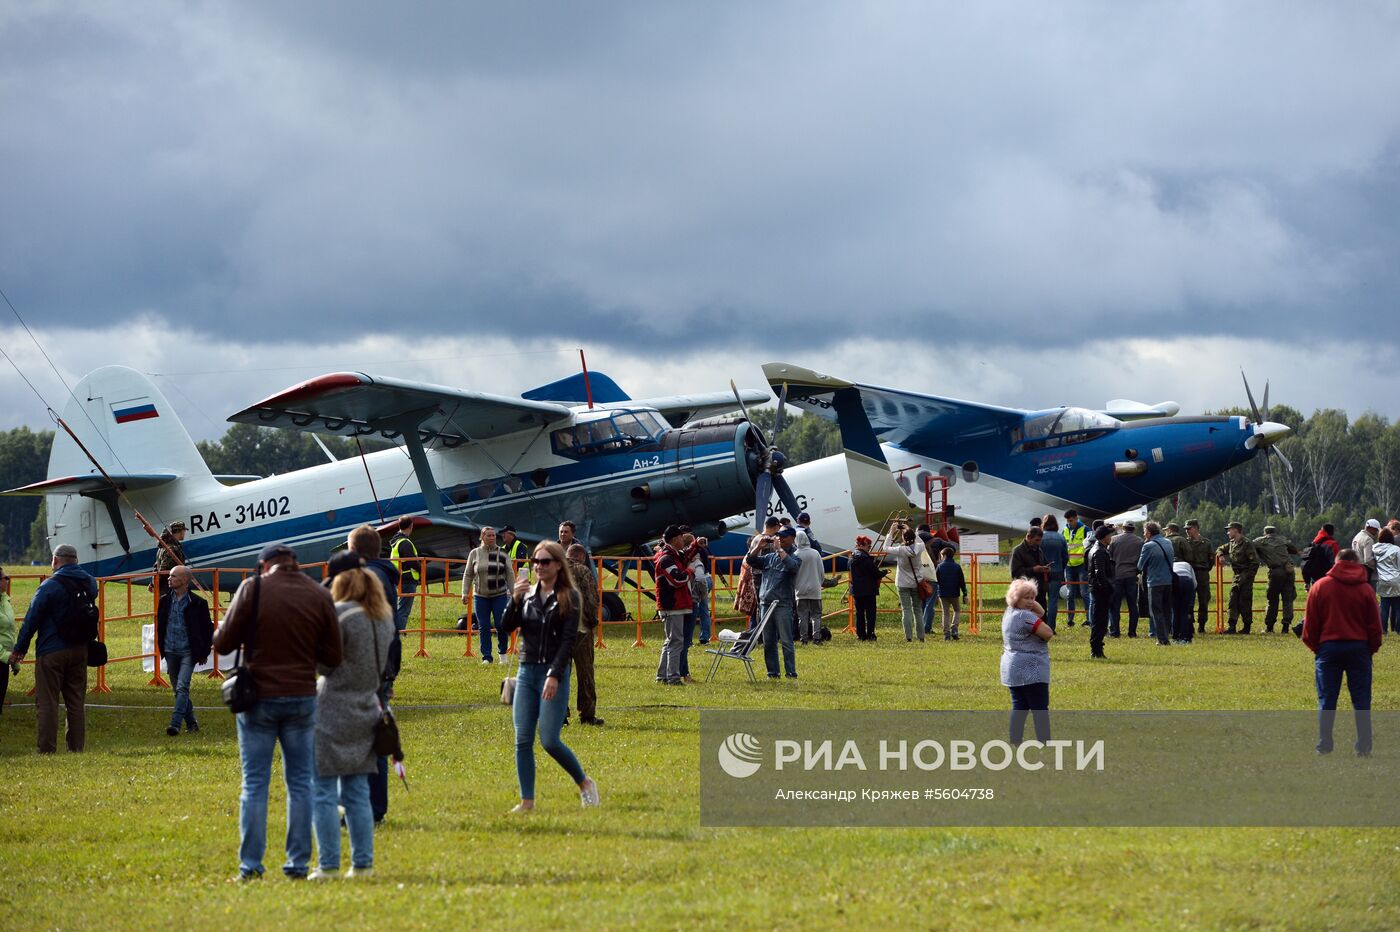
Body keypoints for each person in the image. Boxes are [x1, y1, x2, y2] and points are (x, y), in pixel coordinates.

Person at [214, 543, 343, 881]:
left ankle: (250, 867)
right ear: (294, 563)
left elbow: (223, 643)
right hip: (301, 695)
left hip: (258, 696)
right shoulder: (318, 593)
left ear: (263, 565)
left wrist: (221, 630)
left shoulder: (251, 588)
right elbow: (333, 656)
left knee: (254, 784)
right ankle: (297, 865)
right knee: (301, 784)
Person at [310, 560, 394, 880]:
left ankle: (329, 864)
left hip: (332, 708)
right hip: (368, 705)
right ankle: (363, 864)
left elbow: (323, 665)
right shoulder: (383, 618)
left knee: (324, 791)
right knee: (358, 792)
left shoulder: (340, 614)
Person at [501, 541, 599, 811]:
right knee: (522, 739)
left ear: (558, 565)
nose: (538, 567)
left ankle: (584, 783)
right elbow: (505, 626)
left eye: (545, 562)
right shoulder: (529, 594)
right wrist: (515, 599)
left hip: (553, 671)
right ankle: (527, 801)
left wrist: (555, 675)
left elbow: (568, 640)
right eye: (535, 561)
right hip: (526, 670)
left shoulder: (570, 597)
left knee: (550, 740)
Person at [8, 544, 95, 754]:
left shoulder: (49, 585)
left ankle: (46, 749)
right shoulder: (89, 582)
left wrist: (20, 648)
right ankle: (76, 748)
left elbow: (32, 618)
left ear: (55, 561)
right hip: (81, 648)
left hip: (52, 649)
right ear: (76, 560)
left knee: (47, 702)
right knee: (76, 702)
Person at [1302, 549, 1382, 756]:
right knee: (1362, 700)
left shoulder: (1320, 586)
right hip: (1359, 648)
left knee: (1327, 700)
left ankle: (1324, 745)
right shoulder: (1365, 590)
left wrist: (1316, 648)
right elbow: (1375, 625)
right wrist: (1370, 649)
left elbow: (1310, 626)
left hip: (1328, 649)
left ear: (1336, 562)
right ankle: (1364, 747)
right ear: (1356, 563)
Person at [346, 523, 400, 825]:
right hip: (381, 666)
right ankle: (373, 807)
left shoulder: (369, 579)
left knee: (361, 739)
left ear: (354, 551)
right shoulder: (385, 574)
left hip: (366, 667)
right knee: (373, 737)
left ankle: (368, 807)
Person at [155, 565, 214, 736]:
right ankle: (192, 723)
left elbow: (207, 629)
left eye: (173, 576)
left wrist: (203, 653)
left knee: (182, 687)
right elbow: (161, 625)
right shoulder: (164, 600)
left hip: (188, 651)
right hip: (170, 649)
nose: (169, 579)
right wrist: (162, 648)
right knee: (178, 690)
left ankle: (175, 724)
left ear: (184, 580)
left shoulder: (198, 603)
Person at [1000, 578, 1052, 745]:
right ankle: (1044, 741)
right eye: (1026, 598)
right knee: (1040, 708)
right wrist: (1030, 604)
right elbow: (1048, 633)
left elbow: (1041, 612)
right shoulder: (1025, 617)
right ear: (1016, 598)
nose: (1031, 602)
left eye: (1032, 597)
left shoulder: (1010, 612)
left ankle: (1015, 741)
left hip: (1012, 666)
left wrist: (1028, 597)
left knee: (1019, 706)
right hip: (1032, 667)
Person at [745, 528, 801, 677]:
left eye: (784, 537)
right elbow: (750, 561)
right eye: (779, 536)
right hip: (765, 604)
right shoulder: (769, 557)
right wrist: (758, 547)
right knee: (769, 641)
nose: (780, 539)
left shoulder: (795, 557)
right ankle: (773, 672)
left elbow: (793, 567)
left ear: (792, 538)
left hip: (782, 604)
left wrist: (779, 550)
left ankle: (791, 673)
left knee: (786, 641)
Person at [460, 526, 516, 664]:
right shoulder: (474, 553)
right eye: (488, 535)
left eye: (493, 536)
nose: (491, 538)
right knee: (483, 626)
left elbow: (509, 573)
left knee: (500, 624)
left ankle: (503, 653)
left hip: (500, 595)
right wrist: (464, 593)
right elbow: (468, 574)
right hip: (480, 596)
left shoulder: (502, 553)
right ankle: (486, 657)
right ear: (482, 537)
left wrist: (514, 593)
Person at [654, 525, 696, 685]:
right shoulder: (666, 559)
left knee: (670, 641)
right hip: (672, 605)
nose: (683, 540)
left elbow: (686, 556)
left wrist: (696, 545)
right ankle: (673, 678)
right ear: (674, 539)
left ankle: (662, 676)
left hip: (674, 605)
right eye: (680, 537)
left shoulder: (674, 556)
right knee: (676, 641)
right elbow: (677, 579)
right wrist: (690, 572)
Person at [567, 543, 604, 725]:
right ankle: (587, 714)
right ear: (582, 557)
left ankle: (559, 714)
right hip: (580, 629)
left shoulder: (551, 569)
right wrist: (592, 620)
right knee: (585, 673)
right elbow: (591, 599)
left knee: (559, 674)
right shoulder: (582, 571)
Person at [1254, 525, 1301, 634]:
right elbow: (1294, 550)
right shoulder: (1283, 540)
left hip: (1276, 572)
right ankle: (1285, 627)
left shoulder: (1261, 541)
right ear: (1275, 532)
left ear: (1265, 532)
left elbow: (1249, 545)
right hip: (1289, 571)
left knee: (1272, 599)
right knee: (1288, 600)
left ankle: (1269, 627)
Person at [1215, 522, 1260, 634]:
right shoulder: (1232, 543)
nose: (1227, 532)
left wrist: (1248, 577)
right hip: (1236, 576)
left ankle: (1247, 627)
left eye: (1229, 530)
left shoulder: (1247, 543)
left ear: (1236, 530)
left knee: (1244, 602)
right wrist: (1220, 556)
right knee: (1233, 601)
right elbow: (1220, 548)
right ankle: (1232, 627)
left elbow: (1254, 563)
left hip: (1246, 576)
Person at [1136, 522, 1176, 647]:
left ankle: (1162, 639)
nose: (1143, 534)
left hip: (1155, 582)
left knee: (1156, 611)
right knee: (1166, 610)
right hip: (1168, 581)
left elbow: (1140, 565)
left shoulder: (1148, 546)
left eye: (1144, 532)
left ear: (1148, 533)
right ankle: (1168, 634)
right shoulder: (1168, 542)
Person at [886, 523, 926, 642]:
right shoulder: (919, 548)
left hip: (903, 583)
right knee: (918, 610)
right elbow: (921, 542)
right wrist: (909, 530)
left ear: (903, 538)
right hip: (916, 582)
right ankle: (921, 636)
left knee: (906, 610)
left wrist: (891, 532)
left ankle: (908, 637)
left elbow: (885, 547)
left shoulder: (901, 550)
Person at [1177, 520, 1215, 634]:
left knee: (1204, 599)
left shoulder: (1206, 543)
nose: (1187, 531)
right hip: (1189, 572)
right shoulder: (1185, 542)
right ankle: (1190, 624)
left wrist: (1205, 569)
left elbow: (1211, 559)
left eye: (1189, 528)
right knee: (1189, 600)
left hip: (1202, 573)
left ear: (1196, 528)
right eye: (1186, 529)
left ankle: (1202, 625)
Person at [1107, 522, 1144, 637]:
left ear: (1123, 528)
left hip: (1117, 575)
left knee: (1115, 605)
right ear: (1133, 529)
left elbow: (1109, 556)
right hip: (1131, 576)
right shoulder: (1139, 541)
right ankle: (1132, 632)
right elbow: (1141, 560)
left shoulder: (1113, 539)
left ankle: (1115, 632)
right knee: (1133, 605)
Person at [848, 535, 886, 641]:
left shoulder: (851, 558)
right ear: (863, 545)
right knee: (870, 614)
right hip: (869, 590)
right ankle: (870, 634)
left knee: (859, 613)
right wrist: (884, 572)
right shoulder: (866, 559)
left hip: (856, 590)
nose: (869, 548)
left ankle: (861, 635)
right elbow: (876, 573)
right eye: (869, 546)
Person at [1086, 525, 1115, 658]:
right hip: (1100, 591)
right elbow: (1100, 573)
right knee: (1100, 621)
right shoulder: (1100, 551)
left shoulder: (1098, 549)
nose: (1111, 537)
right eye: (1109, 535)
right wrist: (1107, 588)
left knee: (1100, 620)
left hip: (1098, 589)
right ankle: (1096, 650)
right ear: (1104, 537)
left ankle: (1097, 649)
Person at [793, 530, 825, 644]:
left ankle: (804, 638)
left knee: (802, 616)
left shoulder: (795, 554)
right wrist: (819, 583)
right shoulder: (815, 553)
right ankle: (817, 637)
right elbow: (822, 572)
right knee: (816, 615)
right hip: (815, 589)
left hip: (800, 590)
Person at [388, 517, 420, 632]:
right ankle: (399, 632)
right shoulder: (405, 543)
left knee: (400, 607)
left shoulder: (397, 541)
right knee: (404, 609)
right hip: (407, 579)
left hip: (400, 578)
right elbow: (411, 561)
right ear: (411, 526)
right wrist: (422, 569)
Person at [1009, 527, 1049, 611]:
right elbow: (1015, 573)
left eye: (1040, 540)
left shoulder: (1039, 550)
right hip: (1024, 594)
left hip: (1040, 592)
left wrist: (1046, 569)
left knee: (1042, 616)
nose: (1039, 543)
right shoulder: (1018, 551)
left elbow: (1045, 563)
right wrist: (1033, 570)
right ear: (1029, 537)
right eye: (1037, 540)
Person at [1039, 515, 1068, 630]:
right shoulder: (1061, 538)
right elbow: (1065, 557)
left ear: (1044, 524)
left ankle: (1040, 625)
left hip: (1041, 572)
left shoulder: (1040, 537)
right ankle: (1051, 627)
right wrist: (1061, 567)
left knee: (1041, 599)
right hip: (1057, 572)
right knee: (1053, 600)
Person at [1061, 510, 1088, 626]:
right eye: (1067, 521)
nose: (1069, 523)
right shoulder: (1065, 530)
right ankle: (1070, 620)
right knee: (1070, 594)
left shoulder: (1085, 529)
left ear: (1076, 518)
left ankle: (1089, 619)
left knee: (1084, 593)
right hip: (1069, 566)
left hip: (1082, 565)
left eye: (1071, 521)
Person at [934, 547, 966, 641]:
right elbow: (962, 581)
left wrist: (936, 593)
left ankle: (946, 633)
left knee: (945, 613)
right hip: (954, 593)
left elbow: (936, 580)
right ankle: (954, 628)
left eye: (941, 555)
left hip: (943, 593)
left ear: (944, 555)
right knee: (956, 610)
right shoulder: (957, 567)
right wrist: (965, 593)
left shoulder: (939, 566)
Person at [1373, 528, 1400, 636]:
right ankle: (1398, 629)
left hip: (1381, 580)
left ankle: (1383, 629)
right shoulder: (1396, 549)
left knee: (1384, 606)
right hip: (1396, 580)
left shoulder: (1374, 548)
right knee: (1398, 606)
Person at [689, 536, 714, 645]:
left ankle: (688, 639)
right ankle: (705, 637)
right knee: (704, 610)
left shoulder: (695, 554)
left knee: (692, 610)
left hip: (700, 580)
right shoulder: (703, 550)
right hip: (707, 578)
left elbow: (699, 576)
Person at [0, 569, 16, 714]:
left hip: (4, 661)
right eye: (6, 577)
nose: (8, 580)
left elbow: (9, 632)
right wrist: (5, 656)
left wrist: (14, 659)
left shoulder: (5, 600)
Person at [1171, 557, 1196, 644]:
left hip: (1174, 582)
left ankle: (1175, 637)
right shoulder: (1187, 564)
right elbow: (1195, 583)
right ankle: (1185, 637)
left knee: (1175, 611)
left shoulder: (1170, 564)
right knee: (1184, 612)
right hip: (1187, 581)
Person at [1352, 519, 1381, 589]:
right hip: (1365, 570)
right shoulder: (1368, 539)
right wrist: (1377, 567)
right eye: (1376, 530)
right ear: (1370, 528)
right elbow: (1368, 559)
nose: (1377, 532)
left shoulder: (1357, 536)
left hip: (1355, 568)